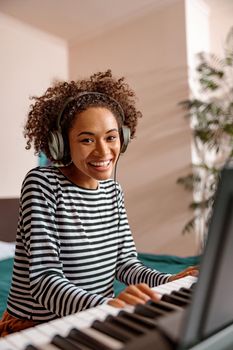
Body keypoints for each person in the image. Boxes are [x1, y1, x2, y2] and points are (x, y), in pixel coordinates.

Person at [0, 70, 198, 336]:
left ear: (123, 138)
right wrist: (106, 306)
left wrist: (169, 280)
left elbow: (125, 263)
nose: (103, 151)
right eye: (86, 139)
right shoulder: (42, 183)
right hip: (36, 327)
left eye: (111, 137)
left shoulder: (113, 191)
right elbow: (44, 281)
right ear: (62, 144)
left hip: (91, 318)